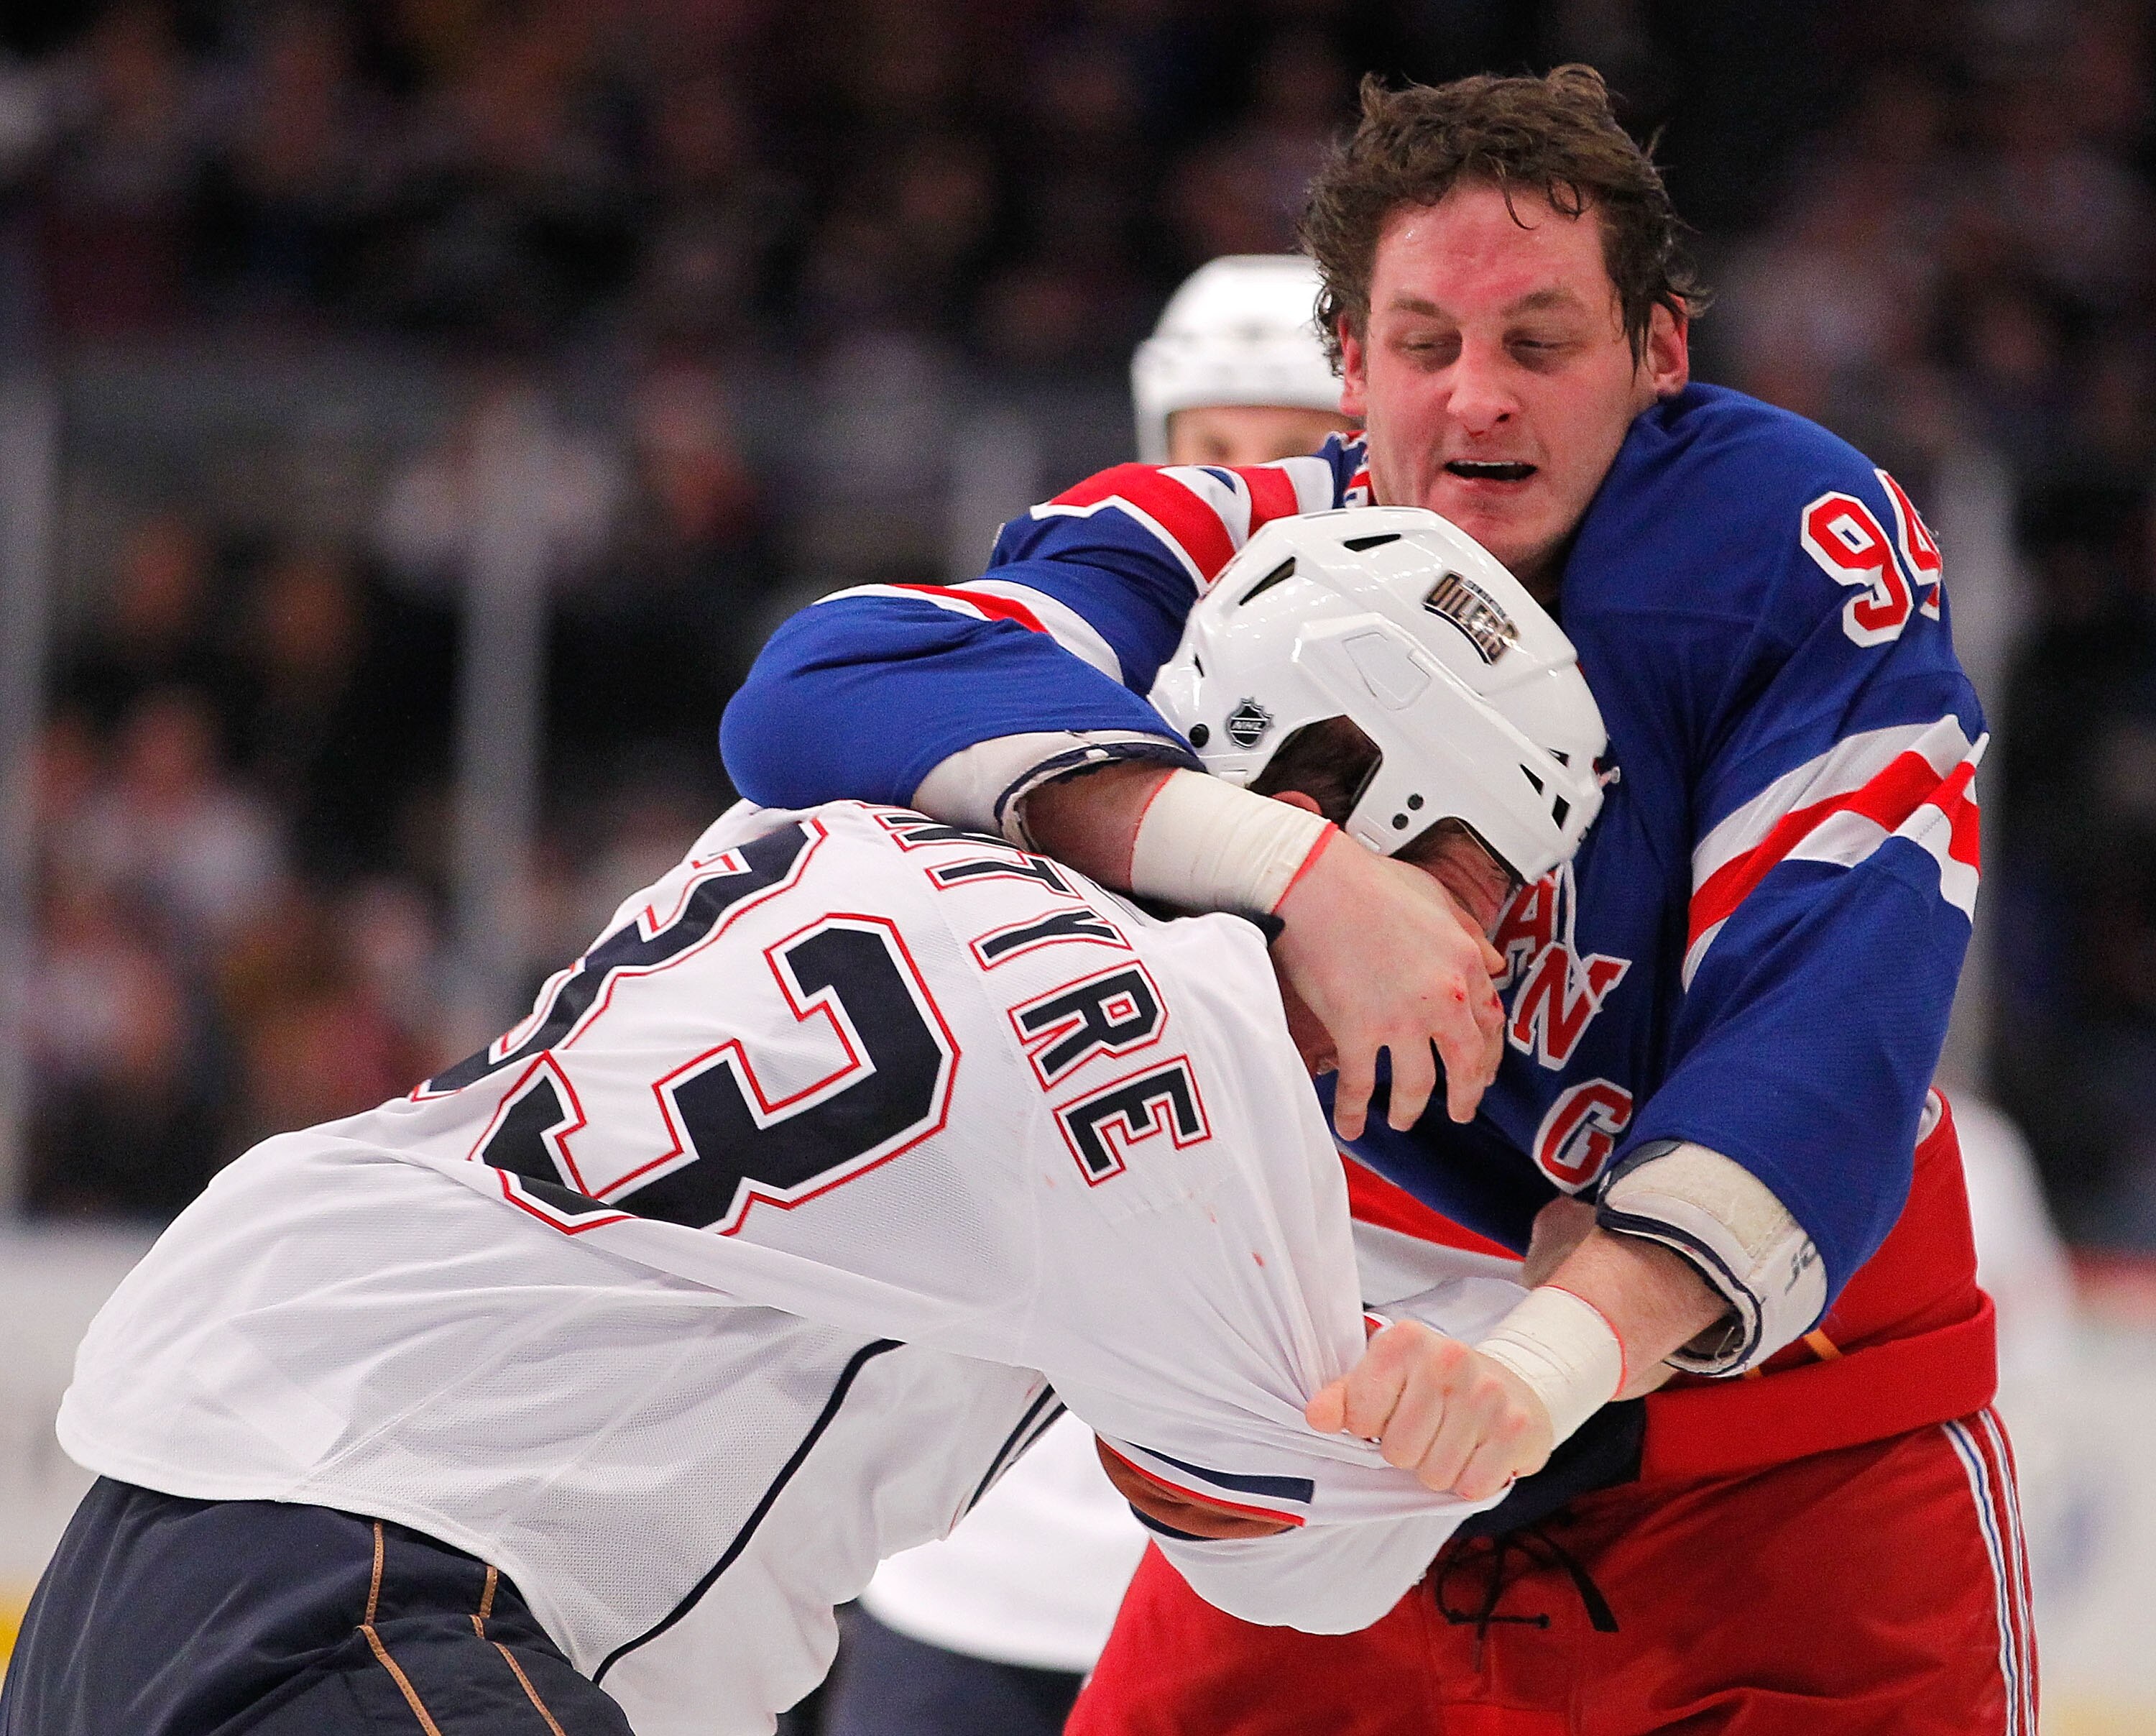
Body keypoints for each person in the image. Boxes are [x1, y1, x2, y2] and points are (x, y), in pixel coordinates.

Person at [719, 66, 2024, 1734]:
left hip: (1770, 1464)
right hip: (1363, 1481)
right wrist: (1297, 868)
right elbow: (824, 684)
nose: (1476, 401)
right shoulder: (1247, 539)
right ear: (1348, 365)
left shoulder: (1792, 543)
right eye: (1425, 345)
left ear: (1660, 351)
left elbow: (1830, 1021)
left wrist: (1549, 1355)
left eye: (1539, 343)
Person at [1, 519, 1606, 1736]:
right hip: (388, 1583)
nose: (1481, 971)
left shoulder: (871, 807)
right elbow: (1288, 1547)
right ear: (1349, 795)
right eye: (1470, 891)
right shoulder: (1166, 1023)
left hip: (168, 1531)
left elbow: (845, 659)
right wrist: (1557, 1334)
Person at [824, 250, 1360, 1736]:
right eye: (1213, 453)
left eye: (1292, 450)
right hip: (975, 1566)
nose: (1251, 494)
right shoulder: (1019, 721)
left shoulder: (1475, 775)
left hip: (1276, 1581)